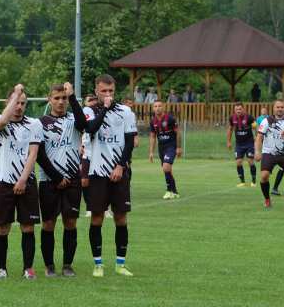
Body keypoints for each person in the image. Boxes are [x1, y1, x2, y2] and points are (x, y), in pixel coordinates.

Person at [70, 74, 135, 277]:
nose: (108, 95)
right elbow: (89, 129)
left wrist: (120, 165)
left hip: (119, 172)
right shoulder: (89, 111)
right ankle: (98, 264)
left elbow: (129, 142)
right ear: (96, 91)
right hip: (97, 173)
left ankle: (120, 263)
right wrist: (105, 109)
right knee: (97, 218)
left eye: (111, 92)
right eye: (104, 91)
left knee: (121, 218)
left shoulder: (125, 112)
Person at [0, 84, 43, 279]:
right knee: (2, 228)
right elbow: (3, 120)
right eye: (16, 102)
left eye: (23, 103)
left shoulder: (34, 124)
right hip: (4, 182)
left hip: (26, 182)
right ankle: (2, 269)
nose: (19, 106)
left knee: (27, 227)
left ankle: (27, 269)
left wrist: (22, 180)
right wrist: (15, 93)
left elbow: (33, 153)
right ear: (8, 102)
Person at [37, 83, 82, 277]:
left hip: (73, 180)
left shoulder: (75, 119)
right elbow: (39, 155)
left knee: (70, 222)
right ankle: (49, 266)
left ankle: (67, 265)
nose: (61, 102)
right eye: (57, 98)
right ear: (49, 100)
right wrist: (57, 177)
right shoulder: (40, 123)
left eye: (64, 98)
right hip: (49, 181)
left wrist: (73, 96)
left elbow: (85, 125)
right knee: (48, 224)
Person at [254, 99, 284, 210]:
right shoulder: (267, 121)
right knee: (264, 176)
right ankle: (267, 200)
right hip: (269, 152)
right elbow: (259, 137)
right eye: (277, 107)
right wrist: (257, 151)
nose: (280, 109)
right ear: (273, 108)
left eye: (282, 107)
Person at [148, 100, 182, 199]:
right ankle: (175, 191)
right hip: (161, 148)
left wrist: (179, 147)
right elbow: (153, 137)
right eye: (155, 106)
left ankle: (169, 191)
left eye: (159, 106)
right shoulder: (152, 121)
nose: (157, 108)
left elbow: (178, 133)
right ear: (153, 108)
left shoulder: (170, 119)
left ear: (163, 107)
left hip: (171, 146)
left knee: (166, 167)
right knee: (168, 170)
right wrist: (151, 152)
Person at [226, 103, 256, 187]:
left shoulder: (249, 117)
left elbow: (255, 127)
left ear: (243, 109)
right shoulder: (232, 118)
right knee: (238, 162)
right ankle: (242, 181)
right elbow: (230, 129)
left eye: (240, 109)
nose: (238, 111)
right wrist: (228, 141)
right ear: (234, 110)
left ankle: (253, 180)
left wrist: (256, 136)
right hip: (239, 144)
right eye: (236, 109)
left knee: (250, 161)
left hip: (249, 143)